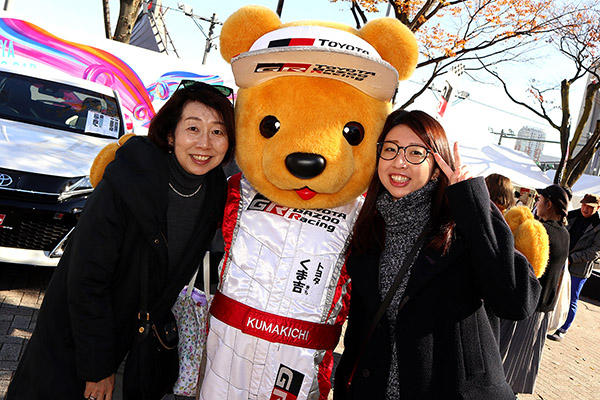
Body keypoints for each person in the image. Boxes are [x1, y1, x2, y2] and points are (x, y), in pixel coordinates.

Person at [6, 81, 235, 400]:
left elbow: (191, 265)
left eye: (218, 132)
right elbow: (86, 280)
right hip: (81, 337)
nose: (205, 144)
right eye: (193, 128)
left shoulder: (214, 190)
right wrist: (97, 368)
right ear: (171, 134)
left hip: (140, 344)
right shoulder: (129, 179)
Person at [333, 109, 541, 400]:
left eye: (415, 152)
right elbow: (361, 327)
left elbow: (517, 302)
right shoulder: (370, 225)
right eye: (390, 150)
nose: (399, 162)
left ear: (436, 164)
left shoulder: (463, 221)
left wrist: (472, 202)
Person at [502, 184, 570, 394]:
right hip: (543, 310)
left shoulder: (540, 231)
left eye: (540, 200)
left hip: (525, 306)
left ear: (548, 204)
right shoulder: (564, 234)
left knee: (503, 361)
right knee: (519, 364)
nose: (537, 203)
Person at [548, 193, 600, 342]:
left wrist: (572, 259)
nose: (585, 209)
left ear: (598, 208)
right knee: (554, 293)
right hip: (560, 262)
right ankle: (550, 322)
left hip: (578, 270)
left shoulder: (598, 226)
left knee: (571, 298)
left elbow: (595, 251)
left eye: (590, 207)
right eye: (583, 205)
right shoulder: (570, 215)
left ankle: (563, 329)